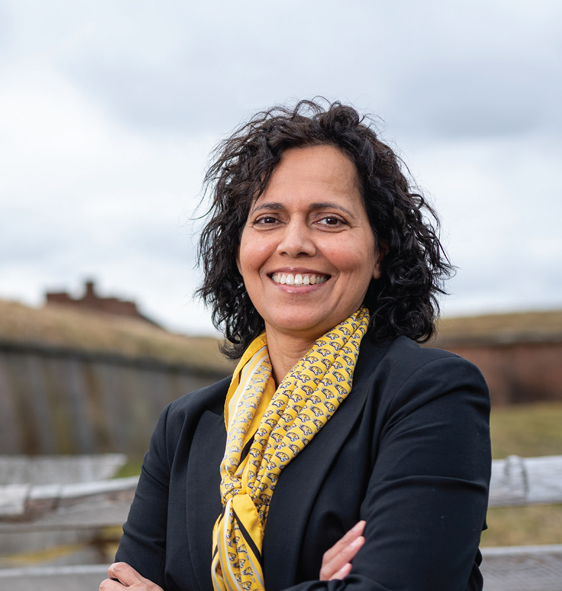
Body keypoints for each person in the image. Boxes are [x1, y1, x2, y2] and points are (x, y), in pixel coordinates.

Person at [103, 100, 491, 591]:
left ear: (379, 252)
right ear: (239, 249)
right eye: (267, 219)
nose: (294, 243)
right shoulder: (184, 427)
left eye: (329, 220)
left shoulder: (431, 395)